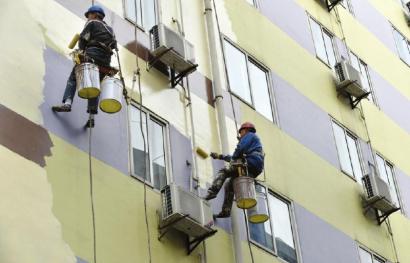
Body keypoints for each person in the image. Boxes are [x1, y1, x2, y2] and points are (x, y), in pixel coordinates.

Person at [52, 5, 117, 128]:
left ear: (95, 15)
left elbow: (83, 38)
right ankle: (91, 117)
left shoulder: (92, 23)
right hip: (105, 61)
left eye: (89, 15)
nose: (88, 18)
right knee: (94, 86)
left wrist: (81, 51)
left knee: (73, 78)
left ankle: (67, 103)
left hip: (92, 55)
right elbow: (113, 46)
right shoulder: (110, 30)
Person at [205, 122, 264, 218]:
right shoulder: (252, 143)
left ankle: (212, 192)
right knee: (229, 185)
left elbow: (239, 150)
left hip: (250, 163)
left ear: (245, 130)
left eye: (241, 133)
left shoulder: (250, 135)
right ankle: (226, 211)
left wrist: (240, 143)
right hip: (253, 167)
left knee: (225, 171)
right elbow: (235, 157)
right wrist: (220, 156)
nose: (240, 135)